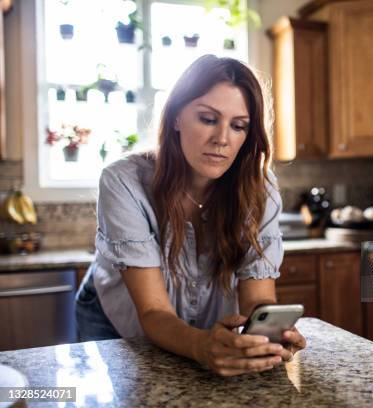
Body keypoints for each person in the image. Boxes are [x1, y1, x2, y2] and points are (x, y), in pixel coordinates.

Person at [75, 55, 306, 377]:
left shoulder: (259, 186)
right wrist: (201, 347)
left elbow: (258, 297)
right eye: (208, 119)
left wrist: (269, 334)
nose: (222, 139)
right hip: (115, 315)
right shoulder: (123, 181)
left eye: (238, 126)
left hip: (202, 323)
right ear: (176, 118)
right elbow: (154, 311)